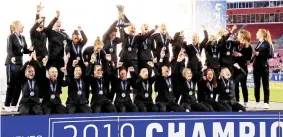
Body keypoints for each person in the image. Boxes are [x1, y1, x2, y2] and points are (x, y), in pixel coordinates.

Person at [4, 21, 33, 112]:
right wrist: (12, 57)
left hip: (20, 64)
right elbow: (9, 49)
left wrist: (29, 50)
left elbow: (24, 50)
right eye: (21, 26)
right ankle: (7, 104)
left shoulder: (23, 38)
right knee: (11, 84)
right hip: (11, 63)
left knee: (18, 85)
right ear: (16, 27)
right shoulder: (11, 37)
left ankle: (14, 104)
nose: (23, 27)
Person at [46, 10, 70, 81]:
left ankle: (58, 92)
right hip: (52, 59)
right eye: (57, 21)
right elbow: (49, 27)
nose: (58, 23)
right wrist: (56, 17)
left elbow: (69, 43)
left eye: (60, 22)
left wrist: (67, 51)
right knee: (51, 78)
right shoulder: (50, 32)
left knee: (60, 77)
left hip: (60, 59)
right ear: (54, 23)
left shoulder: (64, 34)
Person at [253, 29, 274, 109]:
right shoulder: (258, 43)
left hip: (264, 67)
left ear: (261, 34)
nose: (256, 34)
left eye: (257, 33)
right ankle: (257, 102)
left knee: (265, 85)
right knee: (256, 85)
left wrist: (259, 54)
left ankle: (266, 102)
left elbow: (270, 55)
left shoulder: (267, 43)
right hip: (256, 67)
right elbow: (256, 55)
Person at [233, 30, 253, 107]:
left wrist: (240, 55)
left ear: (243, 36)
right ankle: (237, 100)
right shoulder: (236, 44)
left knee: (243, 85)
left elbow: (248, 58)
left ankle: (245, 101)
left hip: (243, 68)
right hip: (235, 67)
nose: (237, 36)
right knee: (236, 85)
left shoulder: (249, 47)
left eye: (239, 35)